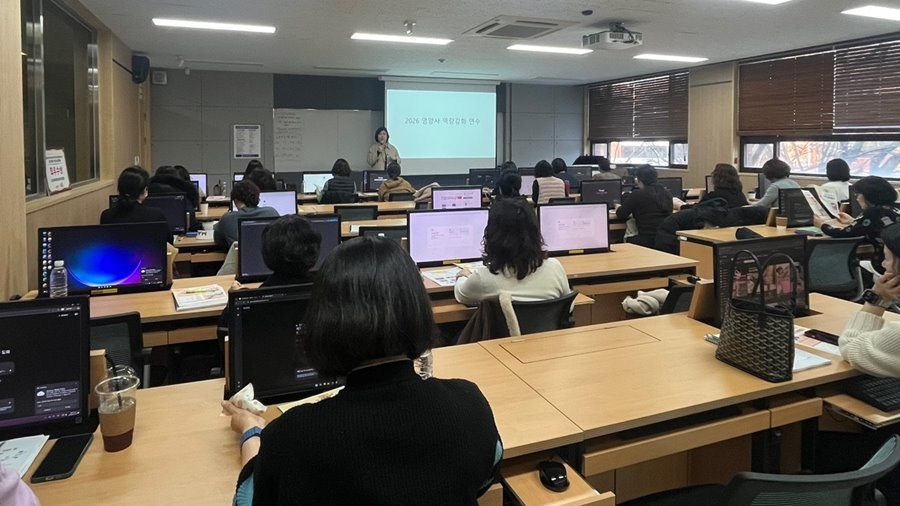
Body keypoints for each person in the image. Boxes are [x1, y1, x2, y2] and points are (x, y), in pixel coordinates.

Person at [222, 236, 502, 504]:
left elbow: (249, 500)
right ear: (417, 308)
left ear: (323, 320)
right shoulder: (470, 404)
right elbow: (485, 475)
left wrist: (251, 432)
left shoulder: (294, 437)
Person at [455, 198, 570, 306]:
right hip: (549, 328)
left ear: (492, 236)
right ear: (534, 232)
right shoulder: (555, 268)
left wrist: (463, 276)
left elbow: (461, 295)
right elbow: (568, 306)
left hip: (502, 328)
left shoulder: (483, 278)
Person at [815, 176, 900, 276]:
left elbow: (845, 233)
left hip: (884, 267)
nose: (857, 199)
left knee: (854, 263)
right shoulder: (895, 208)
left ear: (868, 196)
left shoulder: (873, 212)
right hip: (896, 265)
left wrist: (822, 225)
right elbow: (877, 226)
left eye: (858, 195)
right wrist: (853, 221)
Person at [101, 166, 171, 235]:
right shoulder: (156, 215)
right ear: (145, 190)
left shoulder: (106, 215)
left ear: (120, 189)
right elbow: (167, 240)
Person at [615, 164, 672, 249]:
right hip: (665, 240)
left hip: (645, 240)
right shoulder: (667, 193)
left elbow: (621, 214)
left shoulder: (637, 194)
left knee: (628, 226)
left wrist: (617, 206)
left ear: (638, 179)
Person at [214, 181, 279, 248]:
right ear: (257, 198)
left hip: (241, 257)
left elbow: (218, 240)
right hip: (269, 257)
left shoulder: (227, 218)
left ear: (235, 201)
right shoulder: (271, 212)